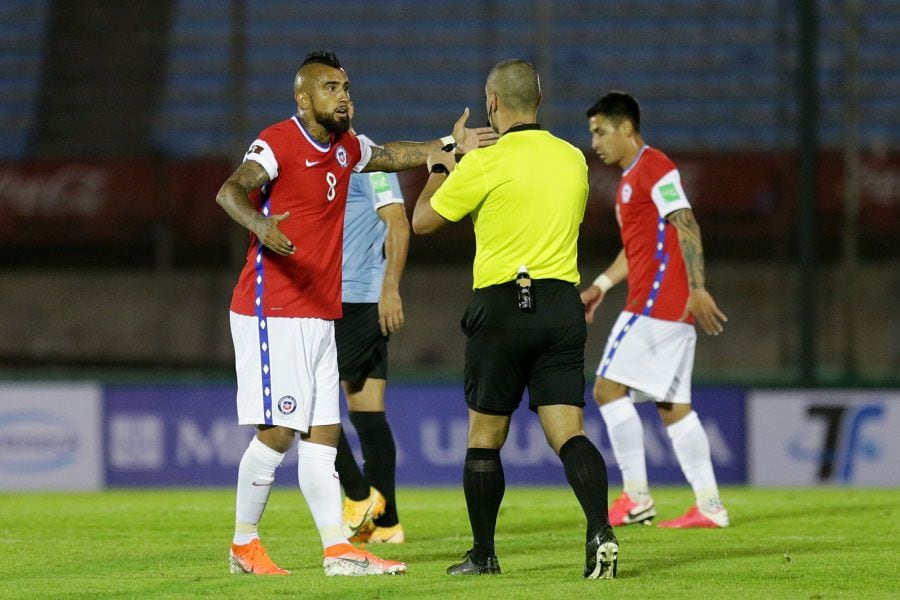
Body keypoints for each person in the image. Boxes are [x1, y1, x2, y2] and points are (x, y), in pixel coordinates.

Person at [215, 49, 492, 577]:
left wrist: (450, 142)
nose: (343, 96)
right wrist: (260, 225)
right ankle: (244, 545)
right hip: (273, 309)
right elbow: (229, 191)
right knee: (278, 434)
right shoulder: (277, 142)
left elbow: (391, 154)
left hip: (321, 312)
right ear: (303, 98)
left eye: (345, 87)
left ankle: (338, 551)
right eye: (330, 88)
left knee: (323, 435)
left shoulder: (346, 148)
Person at [412, 59, 618, 580]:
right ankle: (600, 531)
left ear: (492, 103)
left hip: (503, 303)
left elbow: (423, 221)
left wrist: (444, 161)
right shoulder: (573, 159)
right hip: (561, 304)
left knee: (484, 436)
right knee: (569, 432)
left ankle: (484, 555)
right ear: (539, 100)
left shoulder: (485, 162)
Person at [581, 91, 730, 529]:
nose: (595, 142)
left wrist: (697, 288)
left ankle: (636, 497)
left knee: (607, 390)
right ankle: (709, 504)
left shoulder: (655, 168)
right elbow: (637, 251)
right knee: (673, 407)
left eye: (601, 132)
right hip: (666, 308)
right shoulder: (631, 179)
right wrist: (600, 286)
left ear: (626, 128)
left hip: (655, 306)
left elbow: (686, 222)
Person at [333, 102, 409, 545]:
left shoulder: (368, 161)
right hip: (346, 300)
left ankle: (359, 497)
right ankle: (386, 524)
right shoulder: (327, 164)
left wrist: (390, 290)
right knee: (367, 412)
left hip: (357, 302)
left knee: (306, 402)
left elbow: (398, 223)